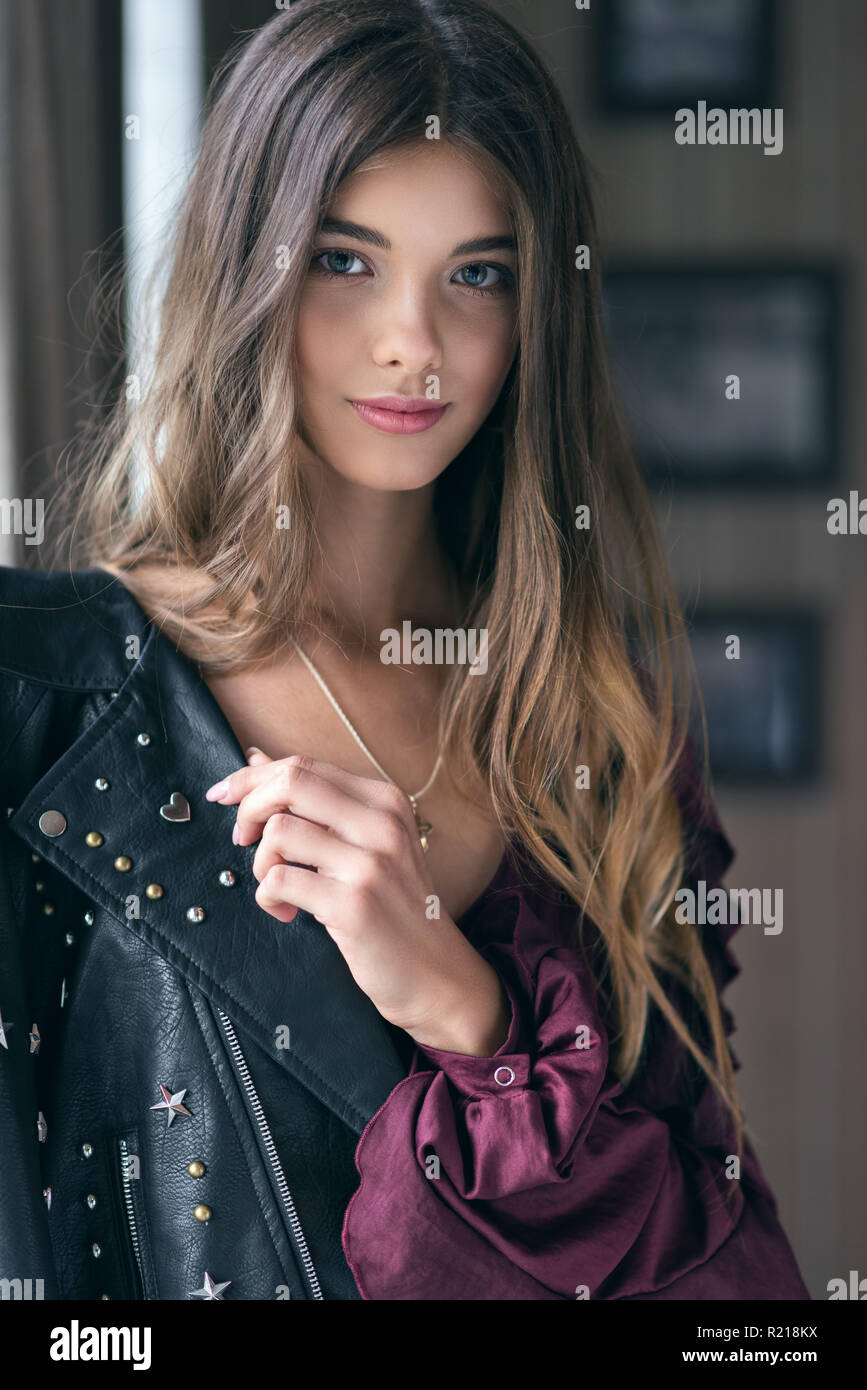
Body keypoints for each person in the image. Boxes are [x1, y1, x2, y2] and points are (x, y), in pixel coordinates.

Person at [0, 0, 809, 1300]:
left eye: (476, 273)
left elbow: (720, 1274)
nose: (413, 345)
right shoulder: (45, 697)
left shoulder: (601, 734)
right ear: (248, 267)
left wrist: (472, 1014)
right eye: (345, 259)